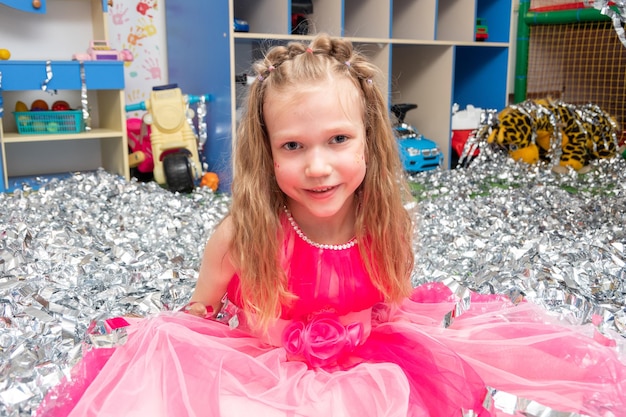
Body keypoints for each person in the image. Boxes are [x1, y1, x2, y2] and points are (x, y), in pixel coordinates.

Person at [37, 33, 625, 417]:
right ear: (266, 152)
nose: (317, 166)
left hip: (368, 369)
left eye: (338, 140)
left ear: (370, 139)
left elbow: (388, 302)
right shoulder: (243, 234)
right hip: (261, 374)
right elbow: (199, 315)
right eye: (293, 146)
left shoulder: (384, 223)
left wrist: (359, 336)